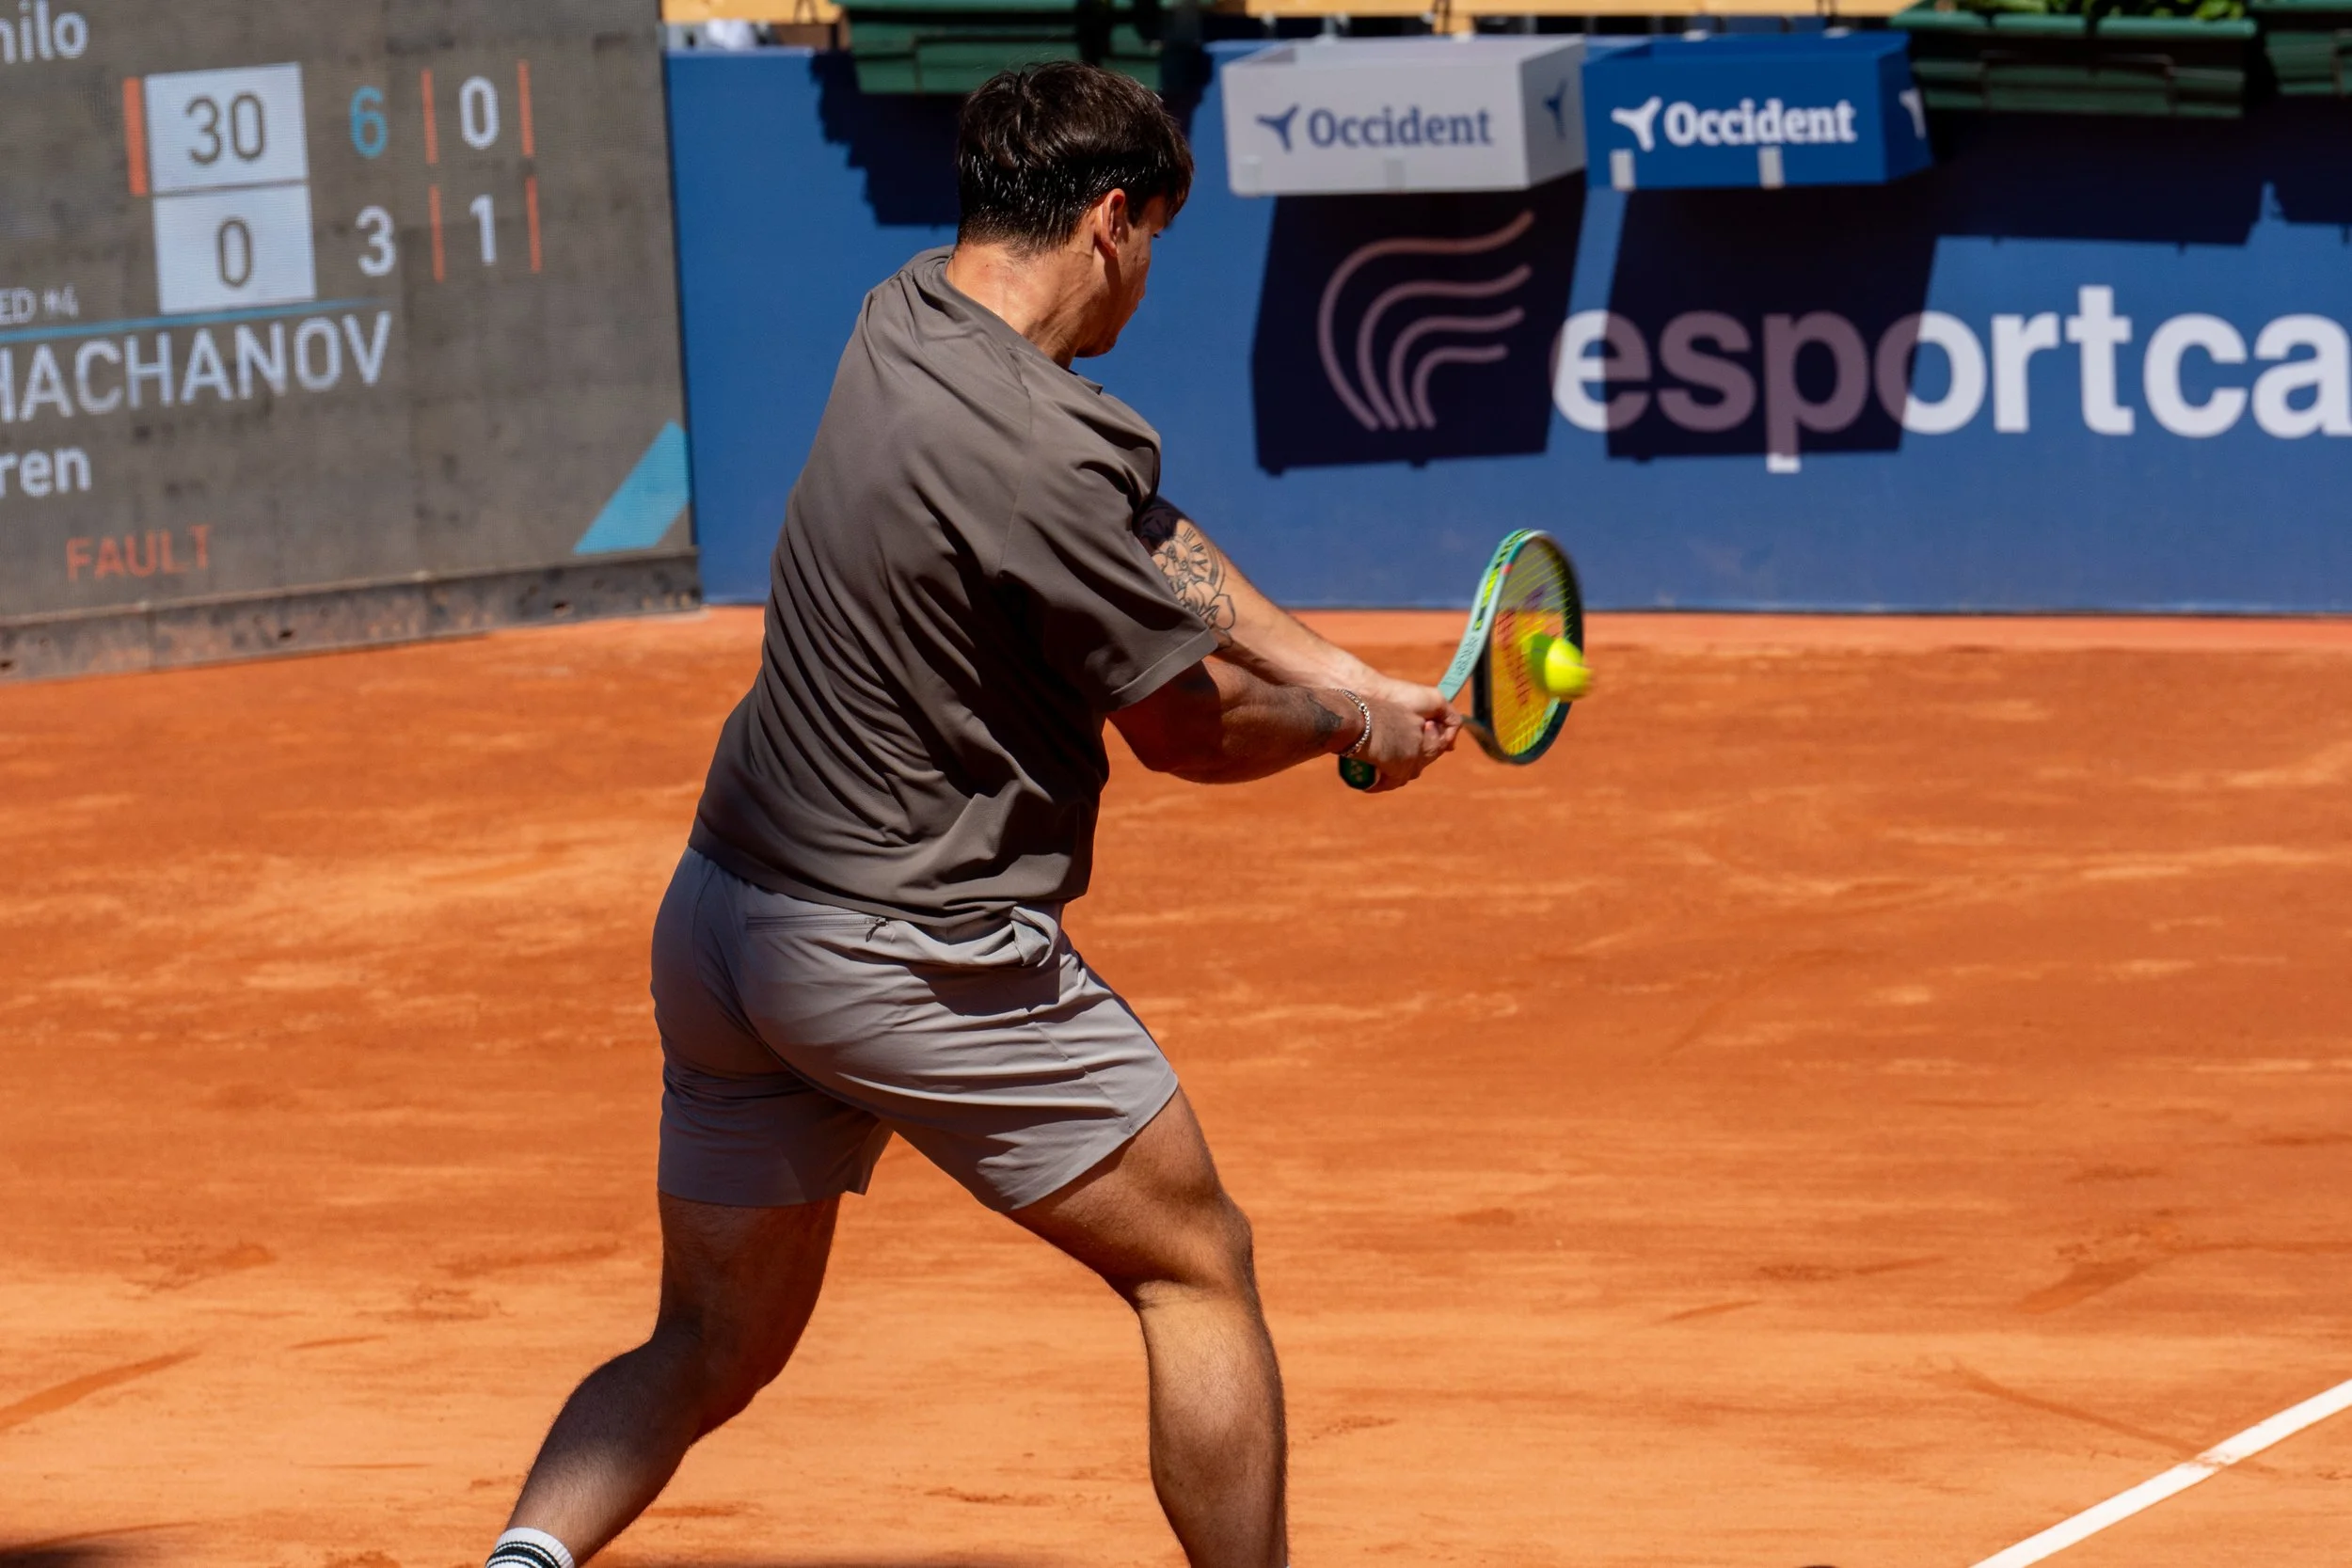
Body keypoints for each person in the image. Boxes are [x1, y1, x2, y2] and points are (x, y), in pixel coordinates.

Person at [482, 61, 1457, 1568]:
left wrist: (1329, 657)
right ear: (1114, 223)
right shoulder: (1045, 450)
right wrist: (1350, 734)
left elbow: (1146, 533)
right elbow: (1187, 730)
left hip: (727, 925)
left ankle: (518, 1562)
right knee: (1196, 1262)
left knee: (709, 1340)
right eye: (1156, 245)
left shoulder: (907, 314)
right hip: (910, 956)